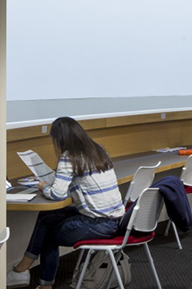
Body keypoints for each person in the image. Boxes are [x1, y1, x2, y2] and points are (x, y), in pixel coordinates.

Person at [7, 117, 125, 289]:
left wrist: (43, 186)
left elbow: (57, 194)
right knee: (47, 216)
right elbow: (84, 186)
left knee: (48, 235)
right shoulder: (98, 150)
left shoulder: (69, 157)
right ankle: (21, 272)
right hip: (114, 221)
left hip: (97, 224)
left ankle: (33, 278)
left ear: (60, 138)